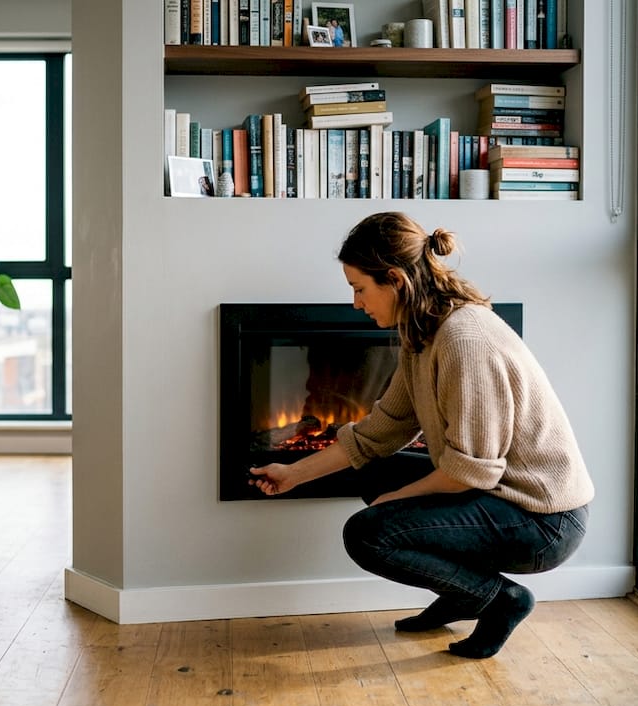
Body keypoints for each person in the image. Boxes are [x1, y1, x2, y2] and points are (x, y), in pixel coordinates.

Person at [249, 211, 593, 659]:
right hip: (501, 497)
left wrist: (395, 504)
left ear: (394, 279)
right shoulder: (426, 334)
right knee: (372, 474)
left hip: (543, 519)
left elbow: (469, 474)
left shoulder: (464, 340)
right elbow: (377, 433)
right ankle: (464, 591)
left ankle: (497, 599)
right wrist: (294, 473)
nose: (355, 302)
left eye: (359, 288)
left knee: (369, 533)